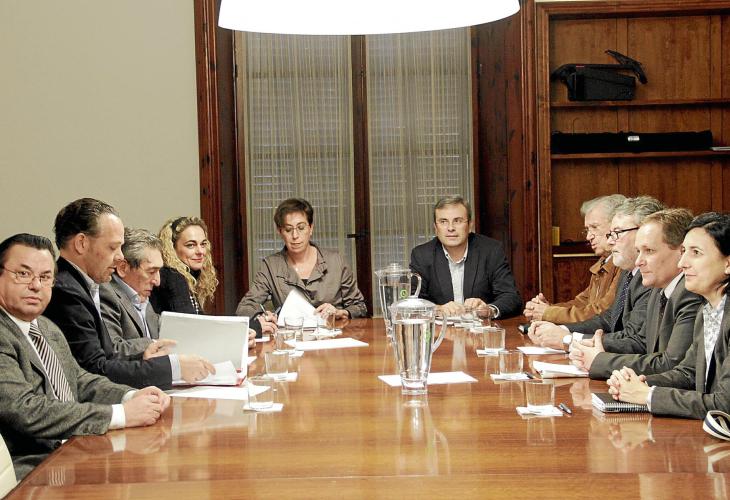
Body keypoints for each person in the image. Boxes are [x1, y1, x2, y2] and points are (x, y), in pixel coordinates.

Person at [0, 233, 169, 480]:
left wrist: (131, 395)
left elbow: (78, 380)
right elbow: (25, 410)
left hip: (76, 448)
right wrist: (120, 414)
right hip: (32, 468)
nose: (36, 285)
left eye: (45, 277)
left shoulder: (46, 327)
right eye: (23, 274)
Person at [44, 198, 215, 390]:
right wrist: (173, 367)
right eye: (112, 247)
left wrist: (142, 356)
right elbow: (94, 369)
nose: (119, 256)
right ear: (81, 243)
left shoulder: (84, 285)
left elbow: (107, 356)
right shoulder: (67, 291)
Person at [607, 212, 730, 419]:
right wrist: (637, 383)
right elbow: (688, 374)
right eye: (683, 252)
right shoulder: (708, 310)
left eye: (696, 253)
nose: (682, 263)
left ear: (728, 263)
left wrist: (648, 395)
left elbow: (724, 404)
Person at [570, 208, 702, 378]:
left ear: (681, 252)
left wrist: (599, 360)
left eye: (649, 251)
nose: (639, 262)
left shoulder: (690, 294)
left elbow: (671, 364)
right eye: (639, 251)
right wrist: (593, 350)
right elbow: (644, 345)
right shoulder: (658, 290)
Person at [528, 196, 662, 350]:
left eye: (617, 233)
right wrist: (562, 330)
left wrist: (567, 339)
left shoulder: (651, 276)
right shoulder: (628, 272)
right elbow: (608, 318)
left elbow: (635, 341)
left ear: (644, 233)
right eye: (611, 234)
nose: (610, 241)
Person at [101, 228, 257, 357]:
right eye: (151, 271)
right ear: (123, 268)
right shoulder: (106, 295)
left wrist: (234, 334)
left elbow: (179, 328)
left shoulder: (140, 296)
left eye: (159, 271)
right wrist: (158, 344)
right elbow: (113, 349)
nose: (157, 281)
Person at [236, 198, 367, 321]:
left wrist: (340, 313)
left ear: (311, 228)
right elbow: (244, 308)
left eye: (301, 228)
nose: (295, 235)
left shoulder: (336, 261)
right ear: (280, 232)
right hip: (292, 335)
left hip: (333, 332)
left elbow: (360, 307)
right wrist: (263, 316)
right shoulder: (271, 265)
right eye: (288, 229)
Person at [153, 216, 273, 336]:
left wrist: (250, 324)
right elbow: (194, 329)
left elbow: (203, 323)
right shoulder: (172, 277)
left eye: (203, 244)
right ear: (172, 248)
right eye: (191, 245)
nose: (200, 251)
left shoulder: (187, 276)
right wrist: (253, 326)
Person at [409, 196, 522, 319]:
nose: (450, 228)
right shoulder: (422, 255)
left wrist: (489, 310)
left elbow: (511, 297)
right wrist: (437, 309)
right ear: (436, 228)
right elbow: (412, 301)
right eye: (443, 221)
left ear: (470, 226)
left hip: (480, 329)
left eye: (457, 221)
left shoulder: (491, 251)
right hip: (441, 329)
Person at [524, 194, 624, 323]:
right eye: (587, 230)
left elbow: (603, 311)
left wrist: (548, 313)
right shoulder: (604, 261)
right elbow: (581, 303)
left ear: (616, 226)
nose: (588, 237)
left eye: (594, 227)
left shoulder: (624, 263)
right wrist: (547, 308)